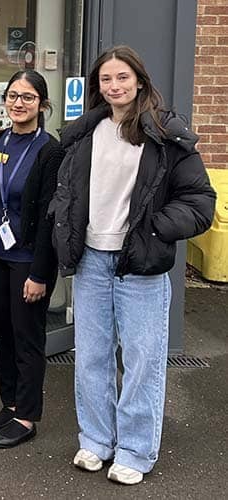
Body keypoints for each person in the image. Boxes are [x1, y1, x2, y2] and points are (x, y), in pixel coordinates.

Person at [51, 45, 215, 485]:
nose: (114, 86)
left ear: (139, 80)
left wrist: (156, 230)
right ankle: (96, 440)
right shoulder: (87, 131)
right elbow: (69, 192)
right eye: (106, 80)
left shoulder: (165, 132)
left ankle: (136, 450)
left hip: (139, 264)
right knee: (91, 357)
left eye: (122, 77)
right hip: (90, 261)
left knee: (142, 359)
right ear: (97, 87)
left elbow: (200, 202)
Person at [0, 70, 65, 448]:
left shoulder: (50, 150)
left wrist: (41, 273)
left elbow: (50, 216)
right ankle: (9, 404)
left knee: (27, 337)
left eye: (28, 98)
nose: (17, 103)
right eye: (12, 95)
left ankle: (27, 417)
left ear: (42, 105)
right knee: (3, 334)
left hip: (28, 260)